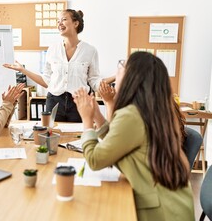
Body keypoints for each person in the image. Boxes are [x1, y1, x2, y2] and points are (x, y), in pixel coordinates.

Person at [73, 51, 194, 221]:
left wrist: (86, 120)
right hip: (176, 205)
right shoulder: (147, 111)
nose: (118, 70)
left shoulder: (131, 115)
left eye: (122, 64)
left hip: (161, 212)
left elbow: (95, 160)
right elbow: (120, 140)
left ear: (134, 76)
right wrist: (96, 116)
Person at [3, 9, 114, 122]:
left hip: (79, 102)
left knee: (79, 136)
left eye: (64, 19)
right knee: (51, 135)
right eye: (58, 21)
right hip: (54, 102)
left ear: (76, 23)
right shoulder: (52, 49)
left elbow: (94, 81)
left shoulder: (90, 51)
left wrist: (117, 76)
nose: (59, 23)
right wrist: (23, 70)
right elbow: (46, 81)